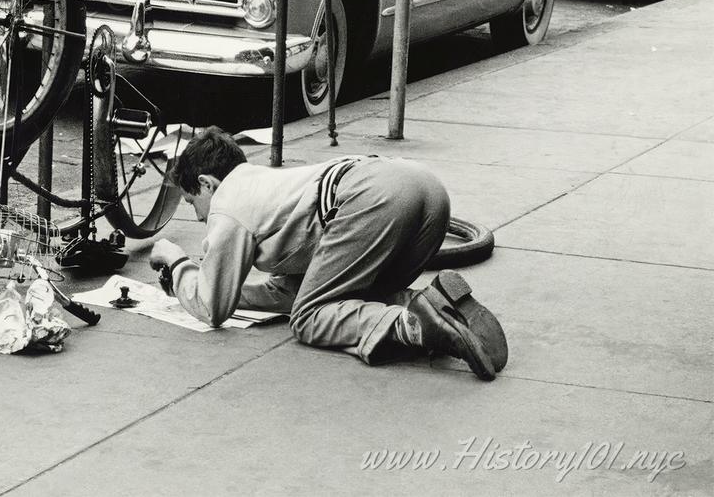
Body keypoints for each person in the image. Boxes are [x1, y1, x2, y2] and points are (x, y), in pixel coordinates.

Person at [149, 126, 507, 381]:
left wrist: (178, 262)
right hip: (424, 188)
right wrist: (217, 285)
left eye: (192, 201)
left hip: (372, 196)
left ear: (208, 184)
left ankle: (415, 327)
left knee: (308, 320)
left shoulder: (228, 205)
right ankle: (440, 303)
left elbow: (212, 309)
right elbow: (286, 292)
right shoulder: (266, 187)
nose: (197, 216)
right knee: (353, 298)